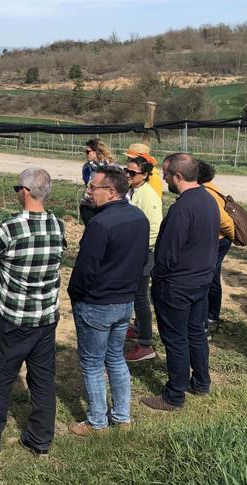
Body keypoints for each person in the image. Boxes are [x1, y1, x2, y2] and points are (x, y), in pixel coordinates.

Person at [0, 167, 65, 457]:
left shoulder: (10, 227)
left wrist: (4, 262)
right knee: (42, 380)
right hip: (45, 317)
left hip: (13, 318)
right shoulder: (58, 225)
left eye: (17, 188)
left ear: (25, 192)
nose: (17, 193)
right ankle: (40, 439)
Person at [67, 167, 148, 435]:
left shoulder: (100, 224)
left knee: (92, 363)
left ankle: (96, 422)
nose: (89, 192)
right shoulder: (138, 218)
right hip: (125, 301)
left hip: (97, 303)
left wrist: (75, 294)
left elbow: (85, 269)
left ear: (111, 192)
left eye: (93, 188)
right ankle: (122, 417)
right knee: (115, 358)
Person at [141, 153, 219, 412]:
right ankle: (201, 382)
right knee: (196, 333)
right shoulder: (208, 200)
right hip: (200, 281)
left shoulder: (181, 208)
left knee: (175, 340)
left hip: (177, 285)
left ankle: (174, 395)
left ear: (178, 176)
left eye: (165, 175)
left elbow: (167, 253)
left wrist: (158, 276)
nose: (163, 179)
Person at [123, 156, 163, 362]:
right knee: (136, 295)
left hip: (144, 254)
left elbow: (155, 229)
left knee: (140, 296)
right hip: (133, 252)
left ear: (145, 175)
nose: (128, 175)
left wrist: (137, 248)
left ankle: (146, 343)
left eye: (132, 173)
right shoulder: (131, 191)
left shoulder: (149, 196)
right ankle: (138, 329)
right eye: (126, 171)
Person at [197, 160, 235, 339]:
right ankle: (212, 315)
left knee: (206, 279)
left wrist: (230, 235)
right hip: (219, 239)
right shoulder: (210, 187)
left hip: (218, 240)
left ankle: (206, 320)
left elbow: (225, 221)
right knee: (213, 278)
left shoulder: (205, 193)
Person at [79, 138, 115, 225]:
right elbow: (86, 182)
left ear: (96, 151)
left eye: (88, 151)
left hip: (105, 205)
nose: (86, 154)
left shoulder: (112, 167)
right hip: (88, 204)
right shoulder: (86, 167)